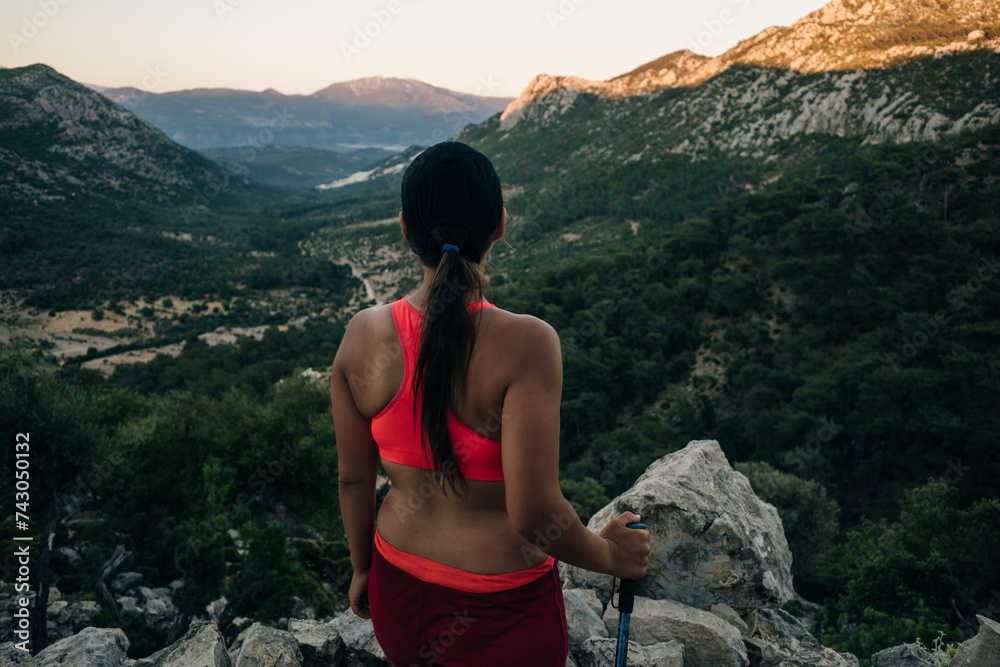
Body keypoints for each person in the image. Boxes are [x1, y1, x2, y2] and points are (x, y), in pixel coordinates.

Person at [330, 141, 650, 666]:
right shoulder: (528, 343)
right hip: (499, 614)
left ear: (406, 230)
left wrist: (363, 569)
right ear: (499, 225)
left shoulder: (362, 334)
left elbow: (353, 480)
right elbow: (534, 515)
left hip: (396, 592)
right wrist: (611, 556)